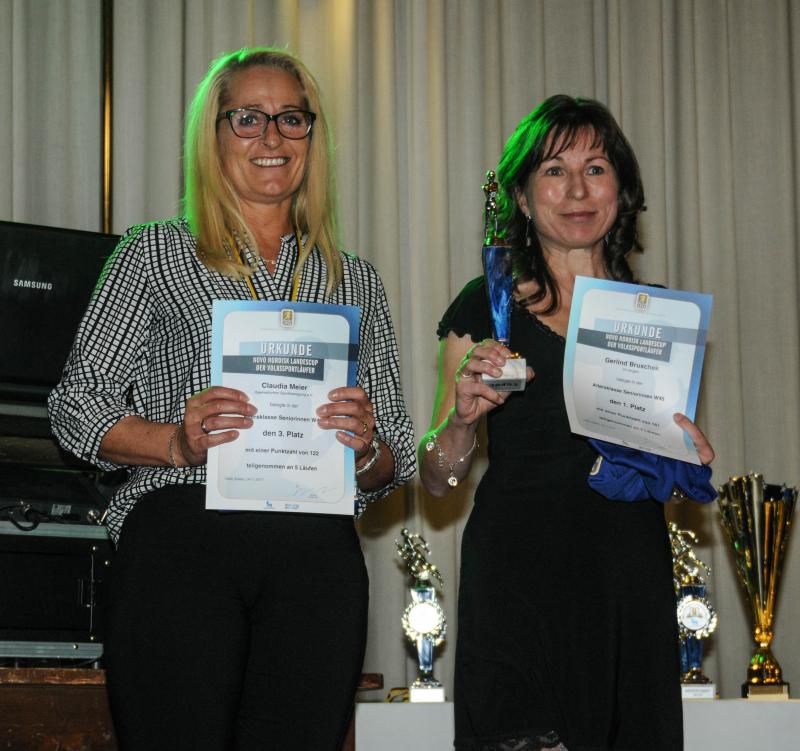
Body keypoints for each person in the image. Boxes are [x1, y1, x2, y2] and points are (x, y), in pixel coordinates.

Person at [48, 47, 415, 751]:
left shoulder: (356, 281)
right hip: (184, 538)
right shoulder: (154, 252)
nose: (271, 136)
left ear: (313, 136)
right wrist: (175, 441)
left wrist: (366, 446)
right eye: (248, 117)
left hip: (316, 560)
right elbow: (75, 405)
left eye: (291, 118)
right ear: (212, 135)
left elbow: (394, 452)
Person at [419, 95, 715, 751]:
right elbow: (437, 479)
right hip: (518, 579)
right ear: (522, 198)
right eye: (555, 170)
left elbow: (656, 475)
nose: (578, 190)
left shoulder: (659, 317)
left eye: (596, 169)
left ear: (621, 191)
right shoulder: (487, 306)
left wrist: (682, 458)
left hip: (625, 579)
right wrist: (461, 424)